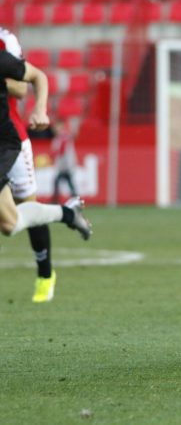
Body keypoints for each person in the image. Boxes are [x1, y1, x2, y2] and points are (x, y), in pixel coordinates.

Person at [1, 30, 90, 303]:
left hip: (9, 138)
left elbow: (21, 84)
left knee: (27, 205)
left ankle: (44, 274)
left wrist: (40, 110)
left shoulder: (5, 43)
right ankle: (66, 213)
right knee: (9, 224)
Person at [51, 123, 79, 204]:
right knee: (67, 183)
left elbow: (61, 151)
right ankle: (76, 200)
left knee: (61, 182)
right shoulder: (57, 139)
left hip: (67, 165)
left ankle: (55, 201)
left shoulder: (65, 138)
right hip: (62, 166)